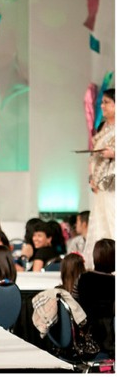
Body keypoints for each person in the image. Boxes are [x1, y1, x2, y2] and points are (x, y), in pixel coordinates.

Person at [84, 89, 115, 270]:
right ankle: (101, 264)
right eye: (102, 102)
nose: (102, 106)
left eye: (107, 102)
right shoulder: (103, 127)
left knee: (112, 221)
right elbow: (93, 156)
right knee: (100, 222)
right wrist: (91, 177)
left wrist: (114, 153)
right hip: (100, 186)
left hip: (113, 186)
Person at [75, 239, 115, 358]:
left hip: (84, 336)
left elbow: (74, 303)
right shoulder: (113, 282)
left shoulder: (82, 278)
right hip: (109, 338)